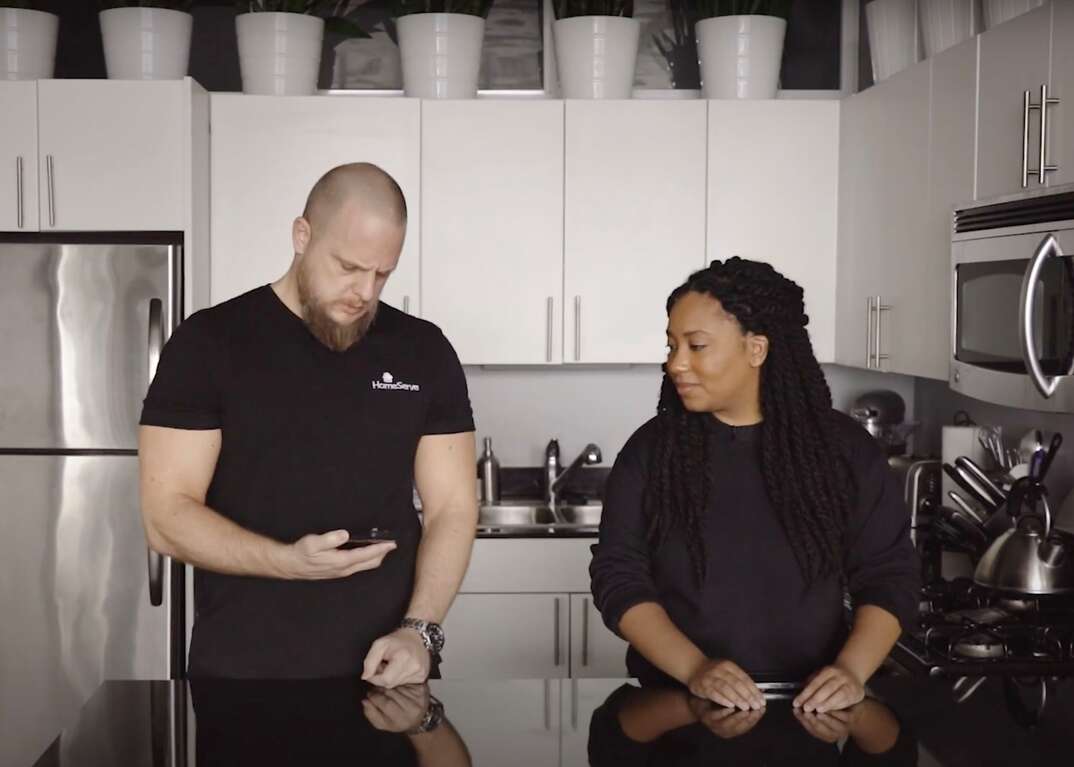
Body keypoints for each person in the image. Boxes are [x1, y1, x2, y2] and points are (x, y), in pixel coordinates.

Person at [139, 162, 477, 685]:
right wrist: (286, 562)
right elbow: (165, 516)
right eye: (347, 267)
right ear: (302, 235)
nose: (365, 292)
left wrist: (420, 629)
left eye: (382, 273)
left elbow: (453, 507)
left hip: (387, 672)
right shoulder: (208, 344)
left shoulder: (424, 352)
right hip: (243, 675)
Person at [589, 257, 920, 714]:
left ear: (756, 349)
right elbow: (618, 577)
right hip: (675, 707)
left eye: (696, 346)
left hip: (813, 709)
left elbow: (888, 574)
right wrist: (695, 669)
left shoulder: (845, 452)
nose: (675, 364)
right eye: (671, 346)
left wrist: (850, 672)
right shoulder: (651, 451)